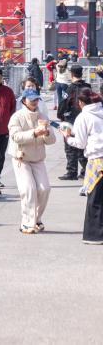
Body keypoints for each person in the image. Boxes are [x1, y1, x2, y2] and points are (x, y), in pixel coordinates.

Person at [8, 90, 56, 234]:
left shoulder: (43, 117)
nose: (34, 102)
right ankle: (27, 222)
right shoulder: (17, 117)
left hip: (37, 158)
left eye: (36, 99)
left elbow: (52, 140)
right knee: (28, 189)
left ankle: (36, 219)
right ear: (24, 101)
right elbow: (16, 137)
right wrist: (34, 133)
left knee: (44, 189)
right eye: (31, 99)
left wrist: (47, 133)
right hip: (21, 158)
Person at [63, 88, 103, 243]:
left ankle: (95, 235)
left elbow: (80, 143)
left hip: (97, 160)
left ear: (80, 102)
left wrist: (67, 138)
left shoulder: (84, 116)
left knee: (95, 200)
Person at [58, 64, 90, 181]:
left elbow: (63, 103)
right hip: (86, 119)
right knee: (84, 146)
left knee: (70, 147)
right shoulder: (88, 87)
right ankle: (86, 170)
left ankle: (72, 171)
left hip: (72, 120)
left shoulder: (70, 88)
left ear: (71, 74)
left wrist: (60, 116)